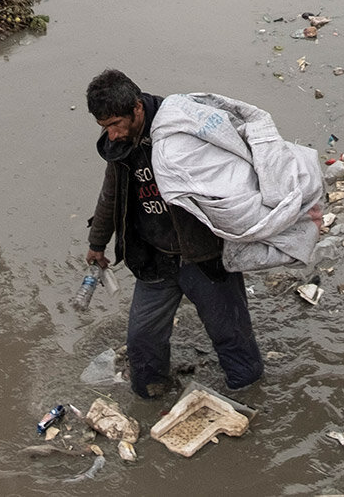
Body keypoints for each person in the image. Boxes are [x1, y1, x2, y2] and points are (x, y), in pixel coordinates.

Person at [83, 69, 264, 400]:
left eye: (115, 124)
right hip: (153, 257)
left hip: (204, 256)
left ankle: (250, 396)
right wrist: (98, 243)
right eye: (104, 127)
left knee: (231, 336)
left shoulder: (184, 131)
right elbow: (111, 193)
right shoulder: (121, 147)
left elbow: (235, 178)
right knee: (142, 340)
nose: (111, 134)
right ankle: (152, 396)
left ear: (137, 108)